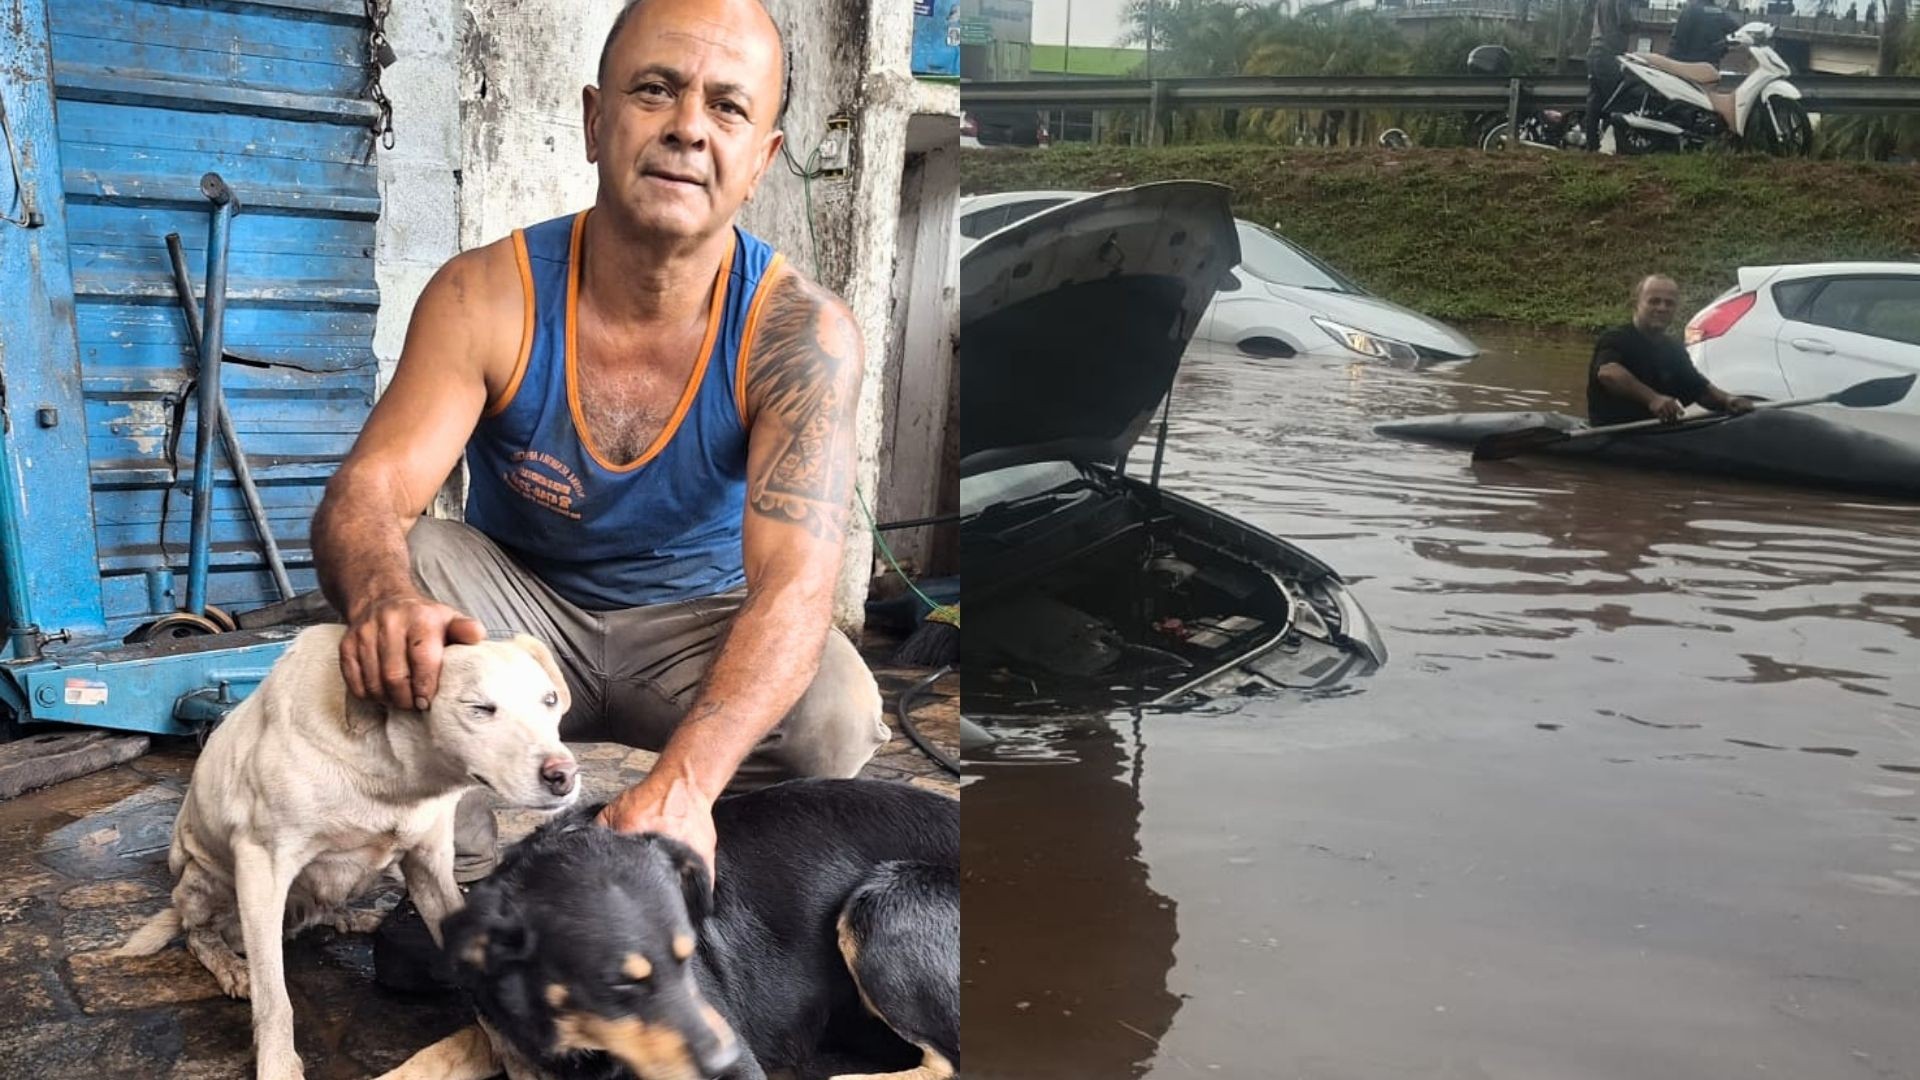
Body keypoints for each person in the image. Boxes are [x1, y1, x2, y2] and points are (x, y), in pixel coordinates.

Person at [310, 0, 890, 909]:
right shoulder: (484, 296)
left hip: (694, 625)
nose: (688, 129)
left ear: (763, 161)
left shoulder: (799, 334)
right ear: (593, 120)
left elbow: (796, 587)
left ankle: (706, 886)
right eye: (655, 90)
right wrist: (383, 595)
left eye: (728, 108)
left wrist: (687, 782)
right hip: (521, 624)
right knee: (412, 561)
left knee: (835, 708)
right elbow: (370, 491)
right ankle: (455, 893)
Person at [1588, 275, 1756, 426]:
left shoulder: (1674, 349)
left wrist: (1728, 399)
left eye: (1669, 303)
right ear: (1636, 304)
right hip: (1613, 434)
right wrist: (1652, 399)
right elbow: (1608, 373)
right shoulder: (1615, 338)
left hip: (1659, 435)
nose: (1662, 308)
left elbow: (1700, 391)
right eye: (1654, 301)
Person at [1583, 0, 1635, 151]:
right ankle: (1622, 146)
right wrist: (1637, 25)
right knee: (1618, 100)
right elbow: (1624, 21)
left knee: (1595, 100)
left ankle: (1591, 144)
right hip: (1609, 51)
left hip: (1594, 51)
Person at [1667, 0, 1738, 64]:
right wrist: (1723, 49)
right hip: (1710, 66)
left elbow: (1678, 41)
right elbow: (1737, 34)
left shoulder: (1689, 10)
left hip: (1686, 63)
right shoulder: (1721, 13)